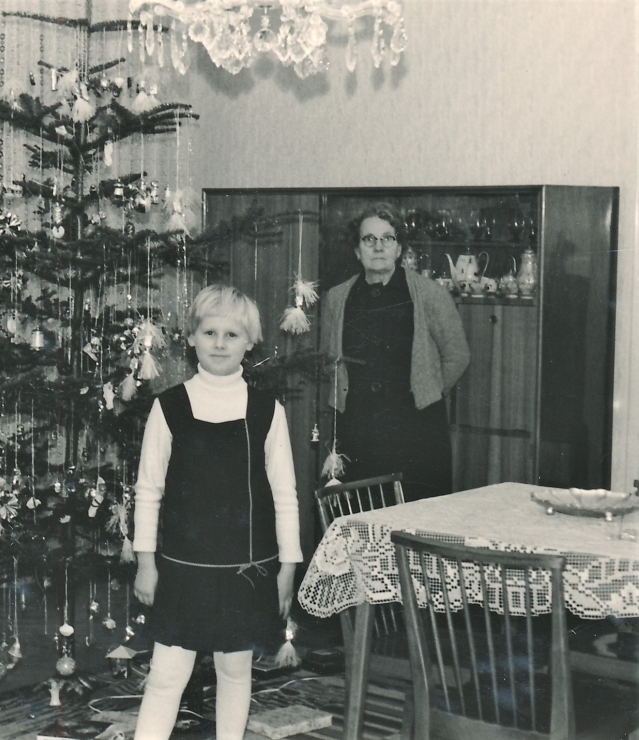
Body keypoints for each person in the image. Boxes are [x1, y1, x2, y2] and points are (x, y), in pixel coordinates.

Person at [131, 284, 302, 740]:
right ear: (192, 338)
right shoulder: (168, 407)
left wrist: (289, 566)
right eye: (210, 332)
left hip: (245, 569)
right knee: (167, 673)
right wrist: (146, 563)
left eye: (232, 334)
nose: (220, 343)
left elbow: (285, 493)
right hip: (184, 568)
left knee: (234, 671)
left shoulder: (268, 411)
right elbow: (148, 491)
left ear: (250, 343)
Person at [321, 202, 470, 501]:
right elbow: (329, 359)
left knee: (415, 521)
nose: (378, 247)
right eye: (369, 239)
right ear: (356, 250)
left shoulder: (430, 295)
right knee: (362, 520)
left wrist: (426, 388)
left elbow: (458, 356)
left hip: (416, 430)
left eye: (387, 238)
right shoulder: (337, 298)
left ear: (399, 248)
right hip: (358, 431)